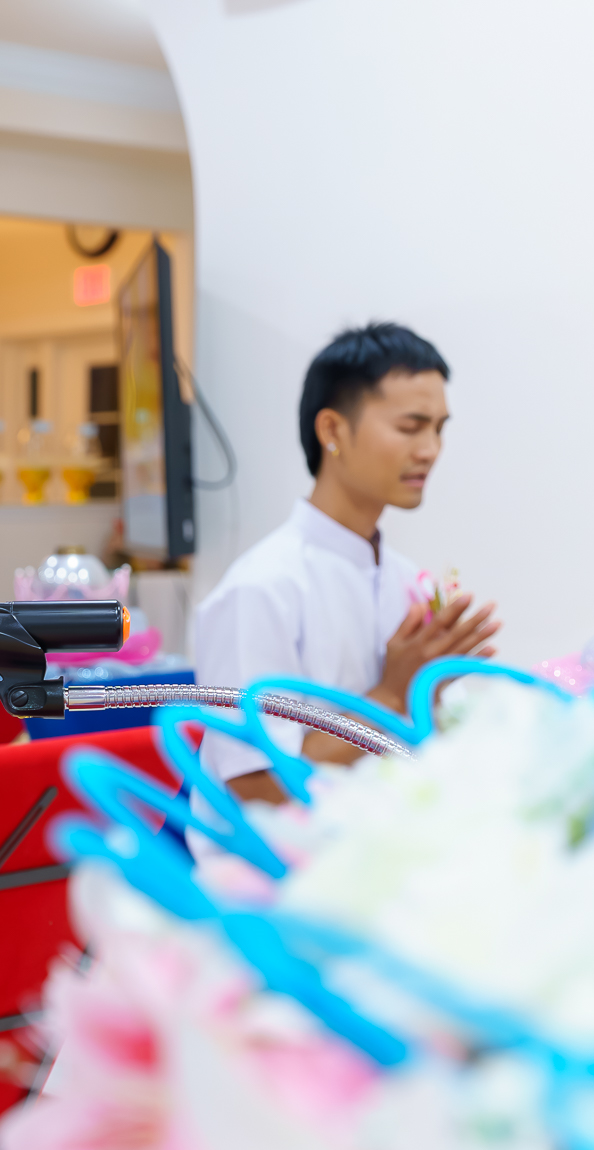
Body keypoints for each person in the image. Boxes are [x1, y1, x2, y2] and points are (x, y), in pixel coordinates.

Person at [191, 322, 500, 804]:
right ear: (333, 429)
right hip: (276, 870)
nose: (430, 450)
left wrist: (433, 698)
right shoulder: (261, 590)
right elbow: (256, 791)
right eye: (410, 427)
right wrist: (393, 695)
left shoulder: (402, 579)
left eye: (439, 429)